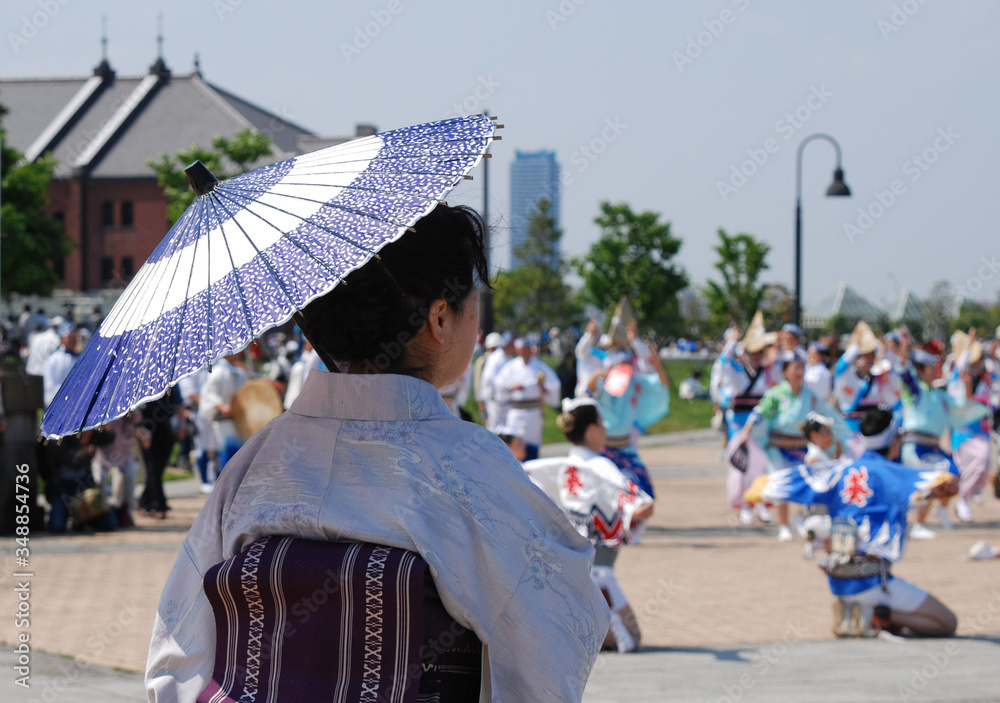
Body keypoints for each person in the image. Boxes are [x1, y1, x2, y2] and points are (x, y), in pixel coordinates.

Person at [146, 205, 608, 702]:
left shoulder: (253, 464)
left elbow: (177, 653)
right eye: (474, 299)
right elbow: (555, 634)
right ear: (439, 317)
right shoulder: (470, 467)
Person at [744, 405, 958, 638]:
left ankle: (862, 611)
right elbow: (943, 482)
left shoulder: (839, 469)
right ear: (895, 441)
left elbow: (795, 480)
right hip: (873, 580)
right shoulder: (892, 473)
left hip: (837, 577)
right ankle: (875, 613)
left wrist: (764, 486)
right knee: (946, 623)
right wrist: (942, 484)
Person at [524, 398, 654, 653]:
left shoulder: (555, 467)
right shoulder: (600, 466)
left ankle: (574, 624)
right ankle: (584, 627)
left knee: (623, 636)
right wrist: (626, 513)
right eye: (602, 424)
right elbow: (643, 508)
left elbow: (523, 477)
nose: (605, 430)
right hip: (599, 572)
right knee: (631, 638)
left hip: (568, 568)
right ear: (592, 430)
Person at [735, 349, 853, 541]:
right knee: (782, 484)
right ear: (785, 371)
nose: (799, 372)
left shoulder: (810, 395)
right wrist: (746, 431)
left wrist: (839, 439)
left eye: (802, 368)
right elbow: (759, 413)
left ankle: (800, 517)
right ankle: (783, 525)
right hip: (778, 446)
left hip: (801, 447)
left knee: (806, 483)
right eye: (795, 368)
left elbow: (829, 414)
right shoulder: (776, 394)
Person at [899, 343, 987, 538]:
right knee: (927, 482)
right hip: (915, 446)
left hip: (933, 447)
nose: (934, 371)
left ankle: (936, 511)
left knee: (953, 476)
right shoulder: (916, 391)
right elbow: (904, 374)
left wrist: (967, 384)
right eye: (930, 368)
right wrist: (904, 352)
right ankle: (917, 522)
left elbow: (962, 405)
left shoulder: (940, 395)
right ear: (921, 371)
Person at [710, 312, 782, 524]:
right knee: (741, 466)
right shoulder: (736, 371)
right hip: (738, 424)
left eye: (759, 352)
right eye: (752, 352)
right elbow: (723, 362)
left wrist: (776, 345)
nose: (756, 357)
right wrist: (733, 341)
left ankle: (761, 502)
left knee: (761, 464)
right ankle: (744, 504)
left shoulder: (768, 372)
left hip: (761, 424)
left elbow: (780, 368)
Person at [945, 329, 997, 523]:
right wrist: (968, 346)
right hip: (963, 430)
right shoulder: (957, 378)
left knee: (983, 464)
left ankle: (966, 497)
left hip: (981, 428)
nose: (976, 364)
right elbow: (961, 365)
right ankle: (962, 500)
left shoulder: (986, 378)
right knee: (967, 466)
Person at [492, 336, 561, 460]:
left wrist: (544, 388)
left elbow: (554, 385)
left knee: (532, 443)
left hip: (533, 411)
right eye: (522, 349)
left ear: (530, 349)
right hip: (516, 410)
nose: (525, 352)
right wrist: (512, 387)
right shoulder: (511, 366)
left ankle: (531, 464)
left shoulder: (540, 367)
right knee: (514, 442)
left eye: (527, 349)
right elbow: (499, 384)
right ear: (518, 350)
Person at [833, 321, 903, 433]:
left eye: (871, 356)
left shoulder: (878, 379)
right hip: (851, 431)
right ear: (856, 359)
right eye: (865, 356)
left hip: (875, 431)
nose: (869, 360)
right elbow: (840, 367)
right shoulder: (846, 377)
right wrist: (856, 345)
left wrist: (886, 352)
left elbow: (897, 373)